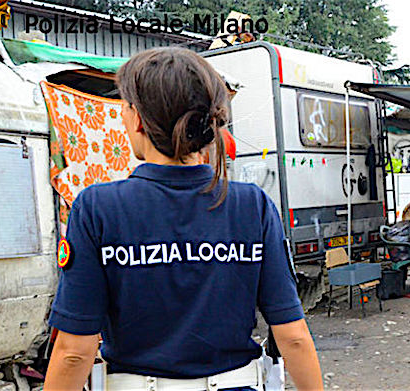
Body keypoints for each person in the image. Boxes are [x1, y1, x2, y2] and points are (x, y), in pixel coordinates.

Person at [44, 47, 323, 391]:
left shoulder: (98, 209)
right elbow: (292, 336)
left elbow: (74, 352)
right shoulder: (253, 206)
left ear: (137, 118)